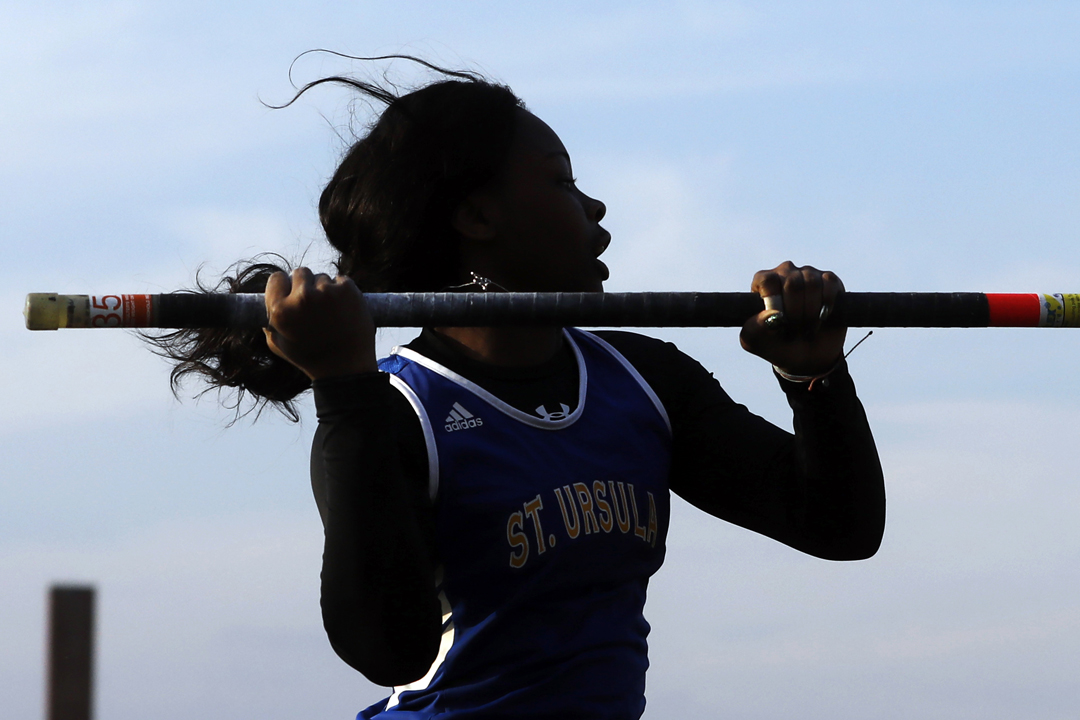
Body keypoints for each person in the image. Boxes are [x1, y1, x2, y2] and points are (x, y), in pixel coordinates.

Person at [157, 59, 885, 719]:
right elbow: (386, 650)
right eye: (562, 182)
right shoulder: (398, 410)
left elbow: (838, 527)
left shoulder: (645, 380)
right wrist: (343, 387)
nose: (594, 207)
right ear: (477, 217)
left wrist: (814, 374)